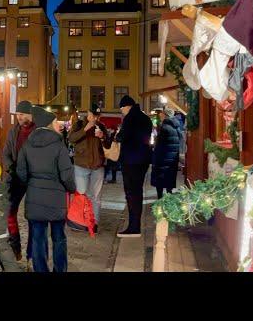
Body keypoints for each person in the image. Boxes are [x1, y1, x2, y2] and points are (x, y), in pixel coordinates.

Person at [17, 106, 76, 272]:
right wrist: (71, 189)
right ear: (50, 124)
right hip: (56, 200)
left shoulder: (27, 144)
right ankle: (60, 269)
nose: (58, 124)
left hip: (35, 197)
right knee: (59, 238)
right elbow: (67, 175)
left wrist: (31, 183)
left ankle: (40, 269)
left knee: (37, 238)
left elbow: (21, 172)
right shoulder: (59, 145)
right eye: (56, 121)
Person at [68, 104, 111, 233]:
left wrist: (103, 137)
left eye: (97, 116)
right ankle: (79, 221)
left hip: (97, 166)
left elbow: (108, 145)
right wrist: (86, 129)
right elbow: (71, 139)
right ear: (88, 113)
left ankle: (94, 223)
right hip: (81, 165)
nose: (94, 118)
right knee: (81, 194)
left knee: (95, 197)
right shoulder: (80, 124)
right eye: (92, 115)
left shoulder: (101, 126)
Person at [2, 100, 36, 262]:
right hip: (16, 177)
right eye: (17, 115)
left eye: (22, 114)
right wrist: (11, 168)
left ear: (30, 114)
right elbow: (6, 153)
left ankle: (32, 252)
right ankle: (15, 247)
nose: (19, 118)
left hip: (34, 178)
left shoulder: (38, 131)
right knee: (9, 211)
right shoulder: (13, 131)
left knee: (32, 216)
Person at [116, 95, 153, 238]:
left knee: (131, 194)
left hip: (131, 160)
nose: (122, 112)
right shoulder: (145, 118)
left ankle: (134, 227)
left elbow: (122, 136)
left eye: (122, 109)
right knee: (137, 192)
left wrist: (118, 136)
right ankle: (135, 225)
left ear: (127, 106)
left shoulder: (130, 119)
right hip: (143, 160)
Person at [151, 106, 182, 199]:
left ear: (165, 115)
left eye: (162, 113)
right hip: (172, 158)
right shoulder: (176, 127)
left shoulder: (164, 127)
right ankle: (169, 196)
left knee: (160, 178)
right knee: (170, 177)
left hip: (163, 158)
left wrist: (154, 153)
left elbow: (159, 145)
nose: (160, 115)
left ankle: (160, 198)